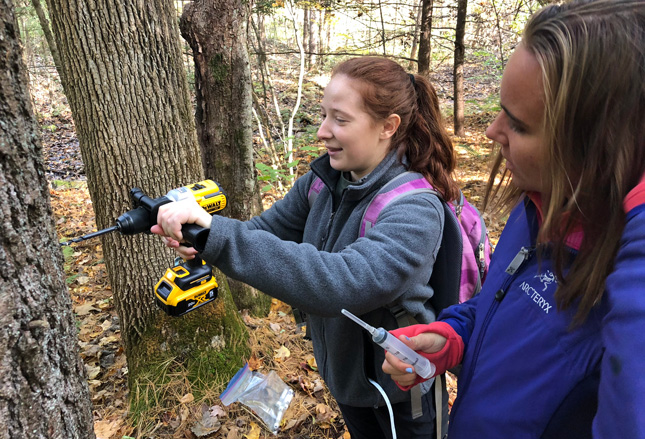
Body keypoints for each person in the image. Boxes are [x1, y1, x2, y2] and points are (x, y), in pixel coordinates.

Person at [152, 56, 460, 438]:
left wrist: (220, 237)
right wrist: (202, 240)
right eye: (324, 114)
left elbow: (340, 285)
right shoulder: (323, 183)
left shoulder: (415, 208)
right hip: (345, 381)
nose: (322, 131)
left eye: (340, 119)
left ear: (388, 126)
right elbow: (261, 233)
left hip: (401, 395)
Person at [381, 0, 645, 437]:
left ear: (597, 147)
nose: (492, 131)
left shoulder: (624, 271)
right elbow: (503, 308)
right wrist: (453, 337)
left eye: (520, 125)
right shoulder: (539, 207)